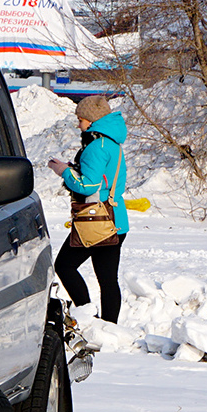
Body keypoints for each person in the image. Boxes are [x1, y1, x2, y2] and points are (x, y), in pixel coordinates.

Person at [48, 95, 129, 323]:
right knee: (107, 279)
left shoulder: (96, 147)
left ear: (92, 121)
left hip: (97, 219)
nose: (78, 124)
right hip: (116, 219)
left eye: (81, 119)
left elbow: (87, 184)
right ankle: (109, 327)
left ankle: (87, 316)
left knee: (64, 266)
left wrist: (63, 170)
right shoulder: (113, 143)